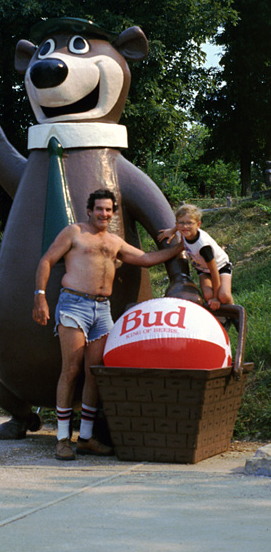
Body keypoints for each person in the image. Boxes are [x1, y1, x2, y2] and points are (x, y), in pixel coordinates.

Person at [33, 188, 184, 461]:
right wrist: (40, 297)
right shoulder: (74, 233)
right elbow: (47, 260)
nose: (104, 214)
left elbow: (147, 259)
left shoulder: (115, 241)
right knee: (71, 370)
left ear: (113, 214)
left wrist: (182, 246)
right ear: (89, 210)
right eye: (99, 209)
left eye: (109, 210)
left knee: (94, 372)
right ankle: (62, 439)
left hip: (102, 310)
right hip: (73, 305)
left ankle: (87, 438)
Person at [158, 204, 233, 311]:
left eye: (189, 223)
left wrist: (216, 298)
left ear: (198, 225)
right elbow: (182, 224)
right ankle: (219, 316)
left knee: (223, 296)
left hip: (220, 267)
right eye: (181, 223)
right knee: (207, 296)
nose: (185, 226)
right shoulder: (186, 233)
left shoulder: (203, 246)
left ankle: (234, 313)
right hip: (203, 269)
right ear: (177, 224)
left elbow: (214, 271)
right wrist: (172, 231)